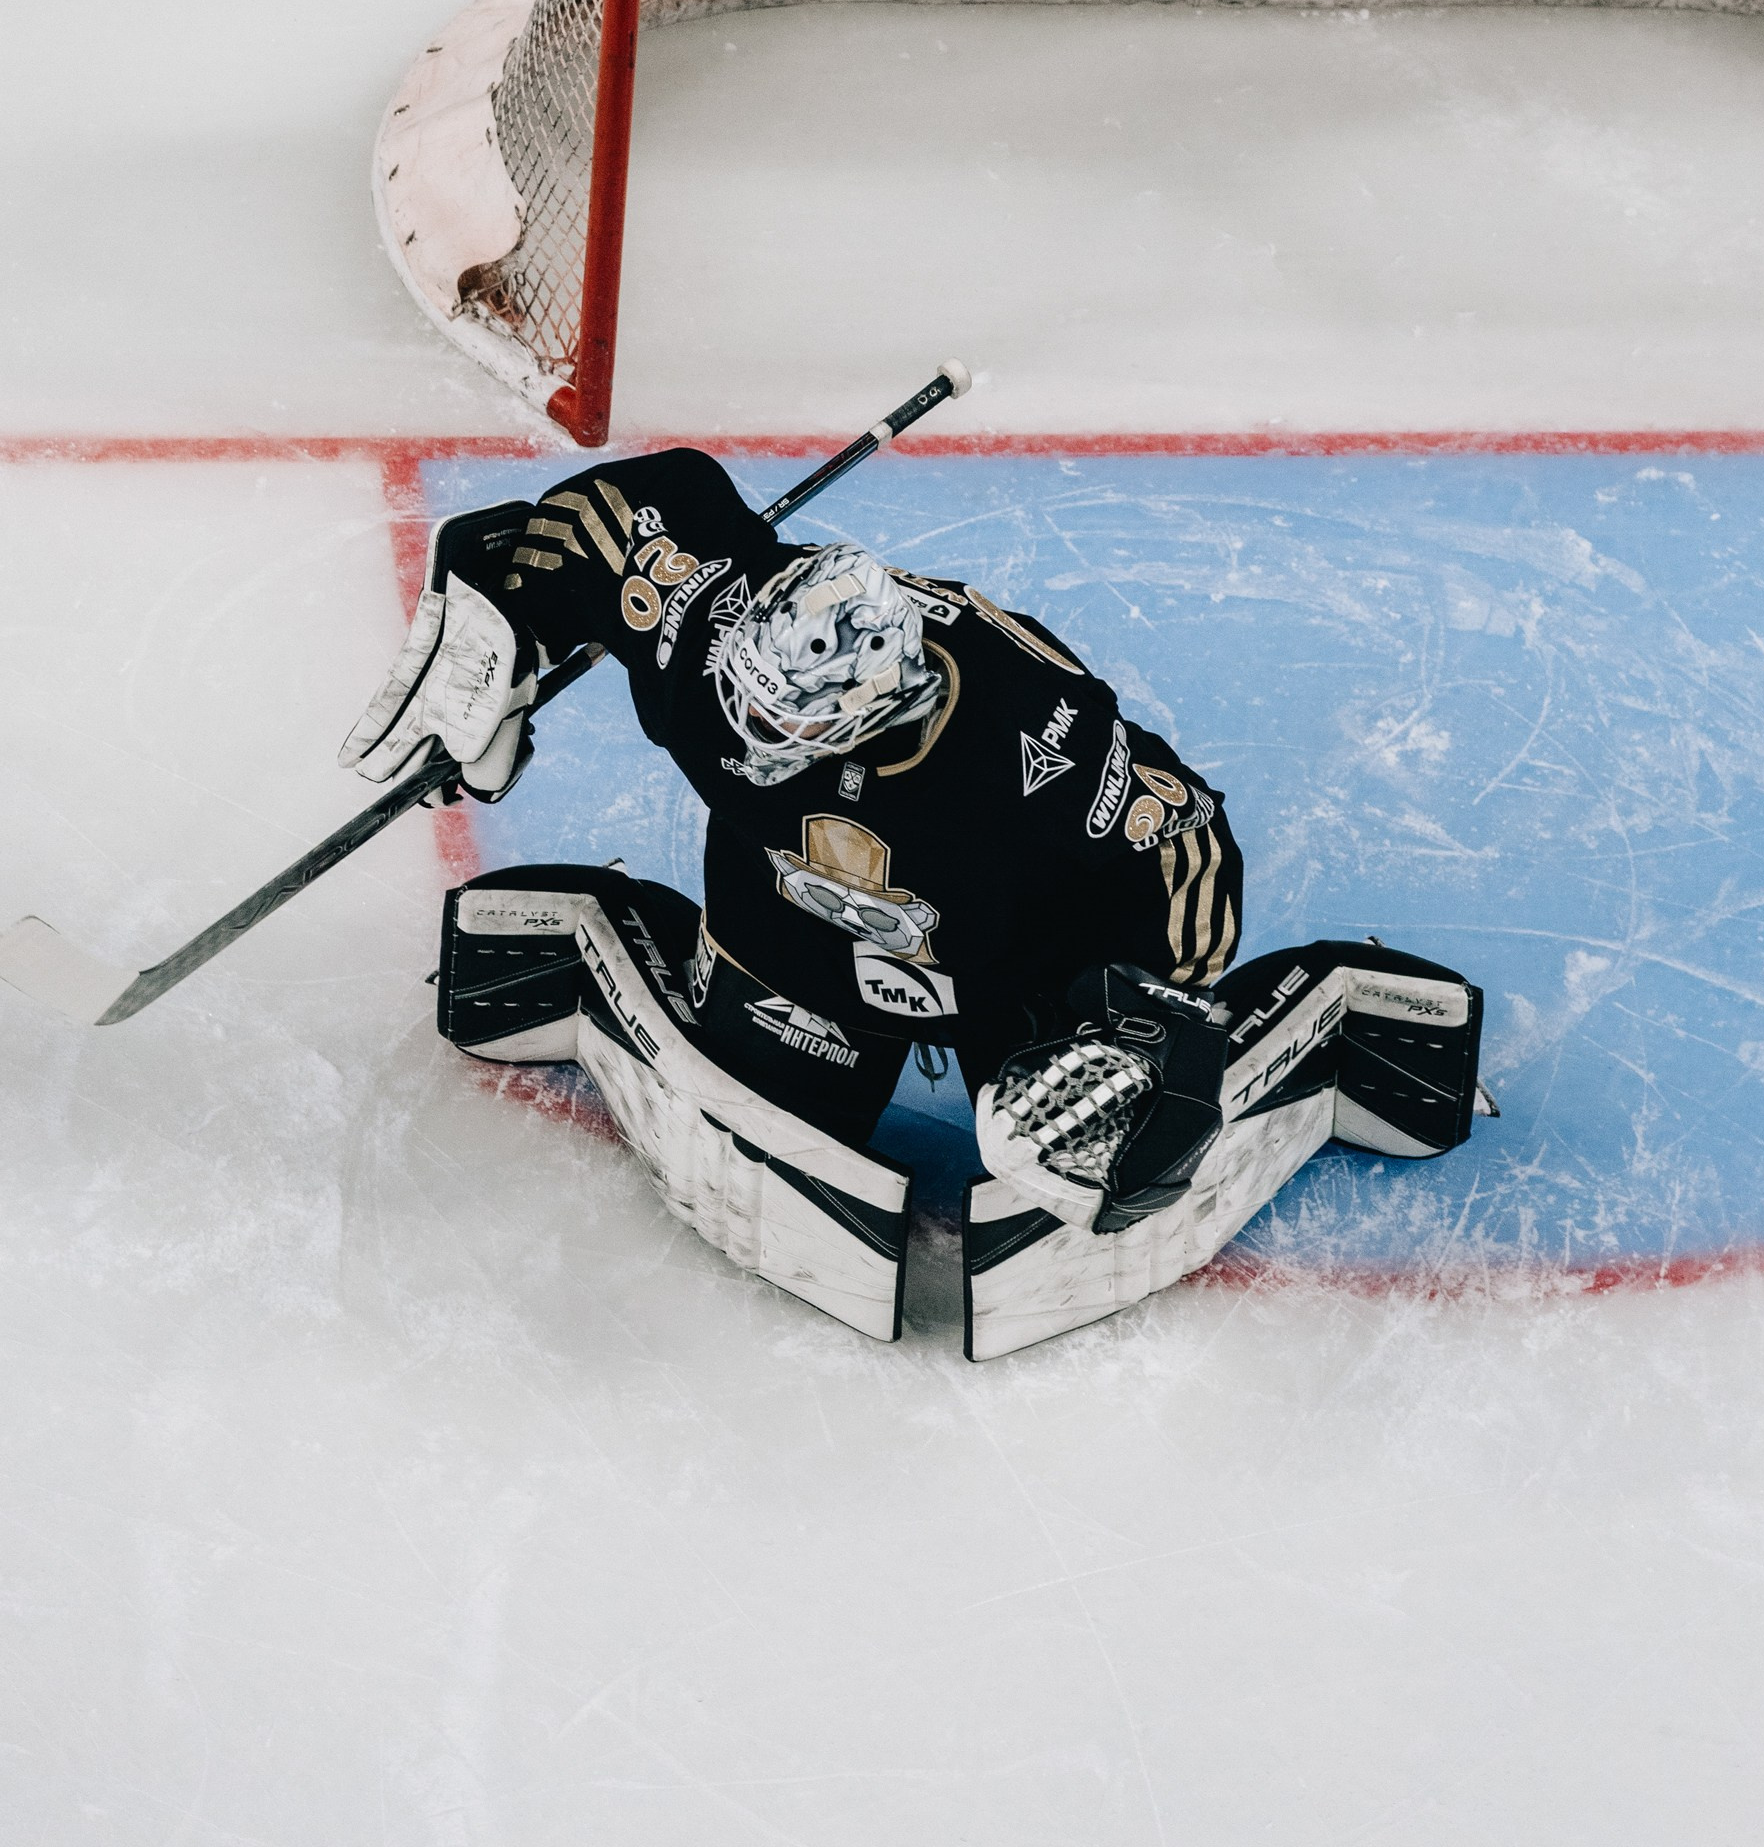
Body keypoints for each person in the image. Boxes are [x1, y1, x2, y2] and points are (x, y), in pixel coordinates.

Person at [343, 447, 1483, 1354]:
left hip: (1009, 964)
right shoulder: (715, 632)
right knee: (780, 1111)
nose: (742, 745)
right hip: (790, 925)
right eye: (746, 712)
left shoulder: (1036, 748)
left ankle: (1289, 1025)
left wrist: (1147, 1007)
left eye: (786, 739)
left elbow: (1183, 841)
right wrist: (500, 619)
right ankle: (614, 945)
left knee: (1060, 1146)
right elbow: (632, 506)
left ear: (879, 720)